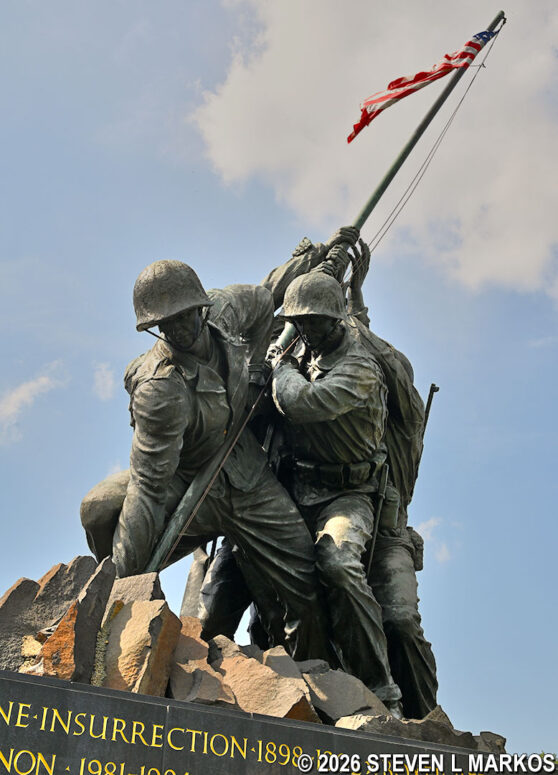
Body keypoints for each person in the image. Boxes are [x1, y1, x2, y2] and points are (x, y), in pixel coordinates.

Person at [196, 234, 438, 718]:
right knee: (227, 581)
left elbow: (304, 403)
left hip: (347, 495)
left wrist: (276, 370)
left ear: (335, 322)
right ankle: (197, 681)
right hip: (288, 491)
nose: (304, 332)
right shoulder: (304, 350)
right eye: (298, 324)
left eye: (314, 323)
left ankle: (380, 696)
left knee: (342, 568)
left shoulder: (361, 368)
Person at [80, 258, 337, 663]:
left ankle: (321, 677)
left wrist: (255, 367)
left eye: (184, 317)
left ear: (201, 307)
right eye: (165, 324)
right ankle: (120, 615)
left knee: (304, 577)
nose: (177, 330)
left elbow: (264, 301)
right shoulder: (160, 388)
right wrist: (123, 591)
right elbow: (148, 490)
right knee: (99, 510)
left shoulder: (229, 310)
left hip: (248, 477)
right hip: (187, 483)